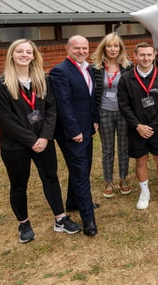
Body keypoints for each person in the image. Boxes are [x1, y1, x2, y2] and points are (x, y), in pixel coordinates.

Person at [0, 39, 81, 243]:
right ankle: (24, 223)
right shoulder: (1, 85)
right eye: (20, 51)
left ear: (34, 56)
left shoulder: (43, 80)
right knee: (19, 185)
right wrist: (32, 140)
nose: (24, 55)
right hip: (15, 146)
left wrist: (45, 136)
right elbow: (6, 120)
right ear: (12, 55)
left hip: (43, 141)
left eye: (28, 52)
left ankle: (60, 218)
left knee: (51, 178)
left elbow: (51, 110)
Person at [118, 42, 158, 210]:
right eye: (142, 55)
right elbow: (123, 105)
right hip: (137, 129)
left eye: (149, 55)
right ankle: (144, 192)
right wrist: (138, 126)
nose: (145, 58)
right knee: (141, 160)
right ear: (135, 56)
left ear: (154, 56)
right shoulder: (126, 79)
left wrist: (152, 126)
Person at [50, 35, 99, 236]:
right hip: (72, 133)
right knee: (80, 172)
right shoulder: (60, 72)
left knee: (83, 167)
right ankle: (88, 219)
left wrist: (95, 119)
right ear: (67, 49)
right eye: (77, 48)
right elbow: (64, 105)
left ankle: (73, 202)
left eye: (84, 48)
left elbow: (91, 97)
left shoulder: (88, 68)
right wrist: (74, 131)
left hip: (87, 128)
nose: (81, 51)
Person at [91, 32, 133, 198]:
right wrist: (94, 117)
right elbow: (93, 94)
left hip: (124, 114)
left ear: (120, 48)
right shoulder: (96, 68)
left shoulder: (128, 67)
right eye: (109, 46)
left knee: (124, 149)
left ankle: (123, 179)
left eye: (116, 46)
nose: (112, 49)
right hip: (105, 113)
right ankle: (108, 181)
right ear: (104, 48)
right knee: (107, 150)